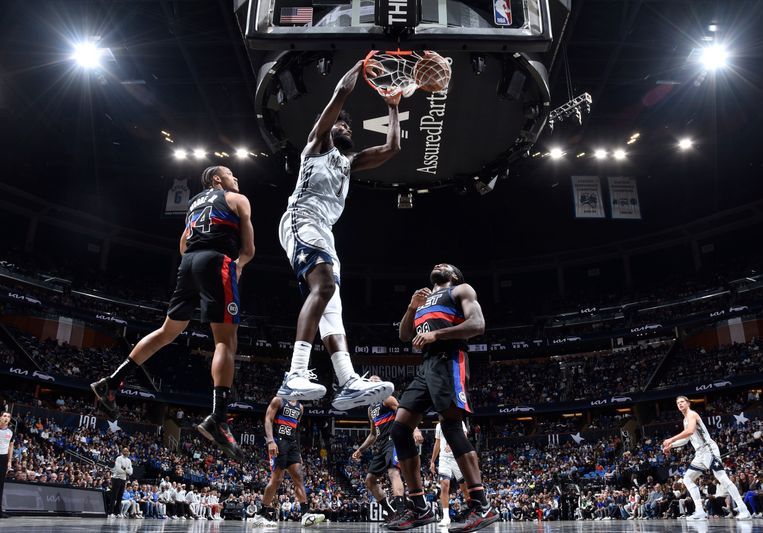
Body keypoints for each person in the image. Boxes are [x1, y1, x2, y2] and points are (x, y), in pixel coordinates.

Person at [91, 166, 255, 459]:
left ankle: (111, 381)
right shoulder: (236, 199)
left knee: (167, 332)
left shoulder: (193, 204)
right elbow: (250, 249)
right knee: (225, 341)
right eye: (231, 174)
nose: (236, 179)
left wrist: (199, 260)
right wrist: (237, 265)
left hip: (189, 264)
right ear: (217, 180)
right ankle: (218, 418)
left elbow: (183, 244)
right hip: (217, 262)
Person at [277, 60, 402, 409]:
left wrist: (392, 108)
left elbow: (392, 149)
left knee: (332, 310)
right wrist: (361, 65)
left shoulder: (350, 162)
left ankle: (347, 381)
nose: (344, 127)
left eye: (348, 125)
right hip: (302, 220)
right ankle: (295, 373)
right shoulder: (316, 146)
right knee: (325, 287)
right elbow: (341, 93)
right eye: (340, 123)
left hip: (324, 231)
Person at [388, 264, 498, 532]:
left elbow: (478, 324)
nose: (439, 265)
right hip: (426, 366)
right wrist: (412, 308)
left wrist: (437, 333)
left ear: (454, 275)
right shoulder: (424, 301)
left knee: (450, 426)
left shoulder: (461, 289)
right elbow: (404, 335)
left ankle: (481, 505)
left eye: (445, 265)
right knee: (400, 430)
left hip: (450, 359)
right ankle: (419, 507)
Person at [662, 395, 752, 520]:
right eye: (678, 403)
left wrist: (671, 439)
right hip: (700, 454)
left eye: (682, 402)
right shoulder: (685, 420)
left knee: (722, 478)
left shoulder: (692, 414)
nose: (680, 404)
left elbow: (690, 431)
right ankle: (700, 511)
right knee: (687, 479)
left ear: (688, 403)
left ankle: (744, 509)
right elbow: (686, 439)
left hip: (708, 449)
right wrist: (671, 446)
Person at [352, 378, 422, 522]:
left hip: (394, 440)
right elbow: (373, 434)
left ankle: (401, 513)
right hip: (382, 444)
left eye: (376, 379)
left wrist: (415, 430)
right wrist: (361, 449)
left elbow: (405, 414)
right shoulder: (370, 409)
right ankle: (391, 512)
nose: (373, 380)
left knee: (393, 472)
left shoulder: (387, 399)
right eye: (370, 379)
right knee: (370, 480)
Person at [252, 397, 325, 527]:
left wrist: (298, 451)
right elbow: (268, 419)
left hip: (292, 445)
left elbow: (296, 430)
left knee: (299, 478)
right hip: (278, 441)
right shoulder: (278, 400)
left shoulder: (300, 407)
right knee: (277, 480)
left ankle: (305, 514)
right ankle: (260, 515)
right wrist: (270, 441)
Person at [430, 419, 469, 527]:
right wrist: (432, 461)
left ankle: (472, 513)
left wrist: (452, 444)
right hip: (444, 459)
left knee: (465, 488)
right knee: (444, 485)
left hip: (458, 457)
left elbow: (464, 438)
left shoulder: (459, 422)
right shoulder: (438, 425)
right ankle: (446, 517)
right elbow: (437, 444)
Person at [109, 447, 133, 517]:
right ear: (122, 452)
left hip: (123, 479)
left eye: (127, 451)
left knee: (120, 497)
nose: (126, 452)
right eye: (125, 451)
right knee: (114, 496)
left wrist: (125, 469)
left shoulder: (129, 460)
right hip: (117, 478)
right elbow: (118, 469)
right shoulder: (119, 458)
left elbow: (131, 472)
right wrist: (127, 471)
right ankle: (111, 512)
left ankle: (117, 513)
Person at [0, 412, 13, 519]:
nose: (6, 418)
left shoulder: (10, 431)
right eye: (4, 416)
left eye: (8, 417)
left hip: (3, 458)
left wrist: (9, 460)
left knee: (0, 485)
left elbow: (10, 447)